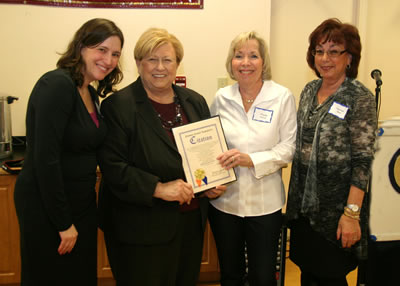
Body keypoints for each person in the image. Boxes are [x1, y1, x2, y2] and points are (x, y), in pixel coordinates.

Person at [98, 27, 225, 286]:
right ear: (138, 63)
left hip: (189, 224)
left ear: (177, 64)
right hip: (140, 228)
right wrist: (158, 188)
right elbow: (113, 167)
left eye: (167, 60)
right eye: (151, 59)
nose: (160, 67)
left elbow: (203, 156)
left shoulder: (194, 101)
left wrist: (210, 184)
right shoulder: (118, 106)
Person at [13, 18, 124, 286]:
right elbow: (45, 161)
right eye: (101, 49)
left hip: (80, 204)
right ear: (81, 47)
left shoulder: (91, 93)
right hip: (48, 206)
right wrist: (63, 223)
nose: (108, 60)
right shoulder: (57, 85)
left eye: (115, 54)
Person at [286, 18, 377, 286]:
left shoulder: (358, 97)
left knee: (330, 276)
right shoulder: (309, 90)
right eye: (319, 50)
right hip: (304, 208)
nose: (325, 58)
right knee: (308, 274)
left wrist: (351, 215)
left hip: (335, 213)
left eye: (334, 51)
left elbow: (362, 161)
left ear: (349, 58)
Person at [208, 31, 297, 286]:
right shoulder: (222, 98)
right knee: (230, 274)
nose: (245, 62)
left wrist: (252, 160)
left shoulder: (281, 97)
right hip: (225, 204)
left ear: (263, 62)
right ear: (231, 62)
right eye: (239, 56)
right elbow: (211, 145)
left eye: (253, 56)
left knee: (263, 277)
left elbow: (287, 148)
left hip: (264, 205)